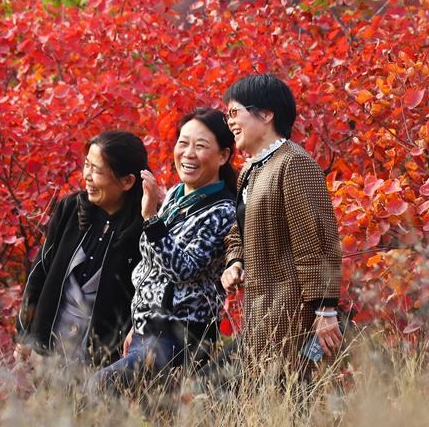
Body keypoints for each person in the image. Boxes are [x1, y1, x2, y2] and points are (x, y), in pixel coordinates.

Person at [92, 108, 237, 393]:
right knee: (151, 421)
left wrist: (151, 219)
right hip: (147, 333)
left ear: (223, 156)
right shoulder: (174, 195)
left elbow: (182, 268)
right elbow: (152, 266)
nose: (188, 153)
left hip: (179, 340)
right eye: (183, 143)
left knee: (95, 389)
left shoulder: (223, 211)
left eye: (201, 146)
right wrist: (139, 321)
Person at [220, 74, 342, 381]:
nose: (230, 122)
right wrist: (235, 262)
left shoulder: (294, 163)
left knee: (291, 400)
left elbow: (316, 240)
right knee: (265, 405)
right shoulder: (251, 168)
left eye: (235, 113)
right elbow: (240, 232)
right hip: (261, 310)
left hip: (294, 312)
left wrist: (325, 310)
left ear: (266, 113)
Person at [16, 130, 148, 366]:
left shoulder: (143, 229)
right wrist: (25, 332)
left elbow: (146, 300)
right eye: (87, 165)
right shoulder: (71, 208)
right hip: (47, 350)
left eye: (97, 170)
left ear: (128, 181)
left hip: (99, 365)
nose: (87, 175)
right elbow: (40, 272)